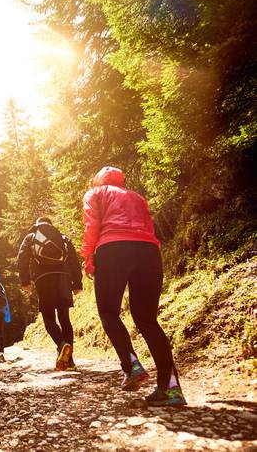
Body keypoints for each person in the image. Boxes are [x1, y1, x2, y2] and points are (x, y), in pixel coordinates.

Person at [82, 166, 186, 406]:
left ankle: (132, 367)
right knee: (147, 320)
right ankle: (171, 389)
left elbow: (91, 225)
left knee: (108, 312)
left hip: (113, 250)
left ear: (98, 180)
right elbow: (149, 226)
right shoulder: (137, 197)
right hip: (148, 251)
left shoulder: (95, 193)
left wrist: (88, 258)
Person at [17, 217, 82, 371]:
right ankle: (69, 361)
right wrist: (77, 283)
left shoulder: (32, 237)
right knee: (64, 319)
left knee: (48, 318)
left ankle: (61, 345)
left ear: (37, 224)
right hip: (64, 279)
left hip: (43, 280)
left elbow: (22, 257)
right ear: (51, 225)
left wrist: (25, 281)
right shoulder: (62, 237)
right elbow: (74, 260)